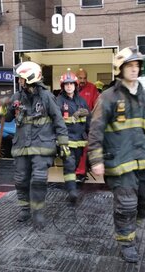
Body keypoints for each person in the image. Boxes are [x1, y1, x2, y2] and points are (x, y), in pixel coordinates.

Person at [88, 47, 145, 263]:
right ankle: (126, 243)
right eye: (130, 66)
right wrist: (96, 160)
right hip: (120, 160)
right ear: (119, 69)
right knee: (126, 205)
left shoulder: (144, 94)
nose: (134, 70)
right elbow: (95, 130)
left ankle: (131, 224)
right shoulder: (108, 97)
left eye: (137, 66)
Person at [0, 61, 69, 228]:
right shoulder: (17, 97)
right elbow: (6, 118)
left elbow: (58, 120)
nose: (19, 81)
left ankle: (38, 211)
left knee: (38, 179)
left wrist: (63, 142)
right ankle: (24, 209)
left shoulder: (46, 97)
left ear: (29, 78)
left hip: (42, 145)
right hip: (21, 146)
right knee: (21, 180)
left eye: (21, 78)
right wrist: (2, 107)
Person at [56, 70, 90, 203]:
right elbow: (56, 122)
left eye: (71, 84)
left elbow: (89, 119)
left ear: (75, 85)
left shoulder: (81, 101)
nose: (69, 86)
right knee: (69, 165)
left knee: (74, 165)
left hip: (79, 141)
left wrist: (90, 135)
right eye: (66, 84)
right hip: (66, 140)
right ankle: (72, 191)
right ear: (63, 86)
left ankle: (71, 188)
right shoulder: (58, 101)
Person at [74, 68, 100, 183]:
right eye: (80, 78)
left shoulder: (92, 88)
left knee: (84, 149)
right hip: (73, 124)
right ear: (76, 78)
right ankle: (74, 172)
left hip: (87, 124)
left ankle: (80, 173)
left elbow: (96, 106)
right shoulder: (70, 87)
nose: (83, 80)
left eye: (84, 78)